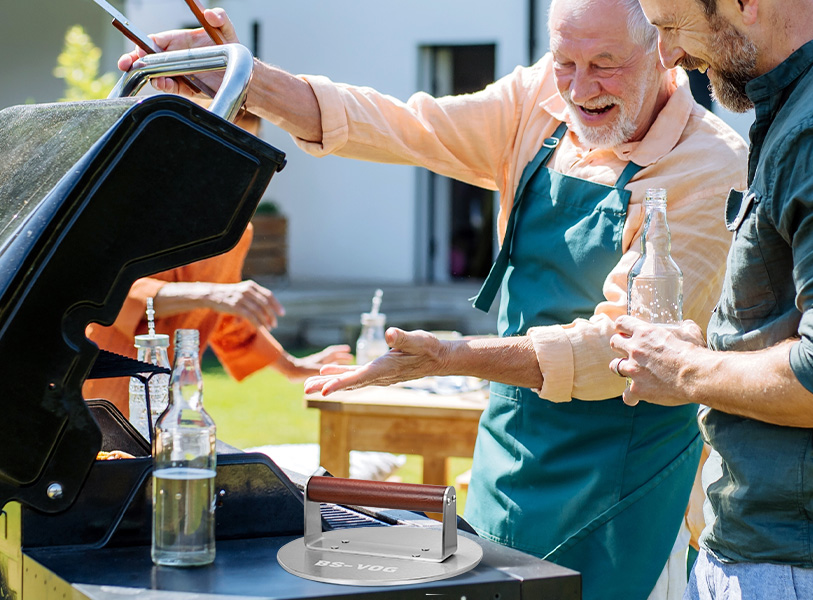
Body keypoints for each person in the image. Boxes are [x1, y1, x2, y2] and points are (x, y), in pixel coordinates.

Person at [120, 1, 747, 597]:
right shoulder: (539, 100)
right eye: (565, 63)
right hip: (511, 447)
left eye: (604, 65)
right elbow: (404, 125)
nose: (579, 90)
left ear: (666, 46)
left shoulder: (710, 165)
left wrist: (452, 356)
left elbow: (619, 347)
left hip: (624, 477)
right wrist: (249, 79)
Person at [610, 0, 813, 597]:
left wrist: (686, 369)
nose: (668, 56)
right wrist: (705, 354)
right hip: (792, 558)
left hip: (811, 566)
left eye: (670, 25)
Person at [84, 114, 353, 411]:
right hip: (105, 389)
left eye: (248, 148)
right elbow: (114, 293)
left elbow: (225, 315)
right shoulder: (142, 204)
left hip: (174, 399)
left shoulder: (236, 230)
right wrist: (213, 294)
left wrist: (291, 366)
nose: (237, 161)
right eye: (227, 144)